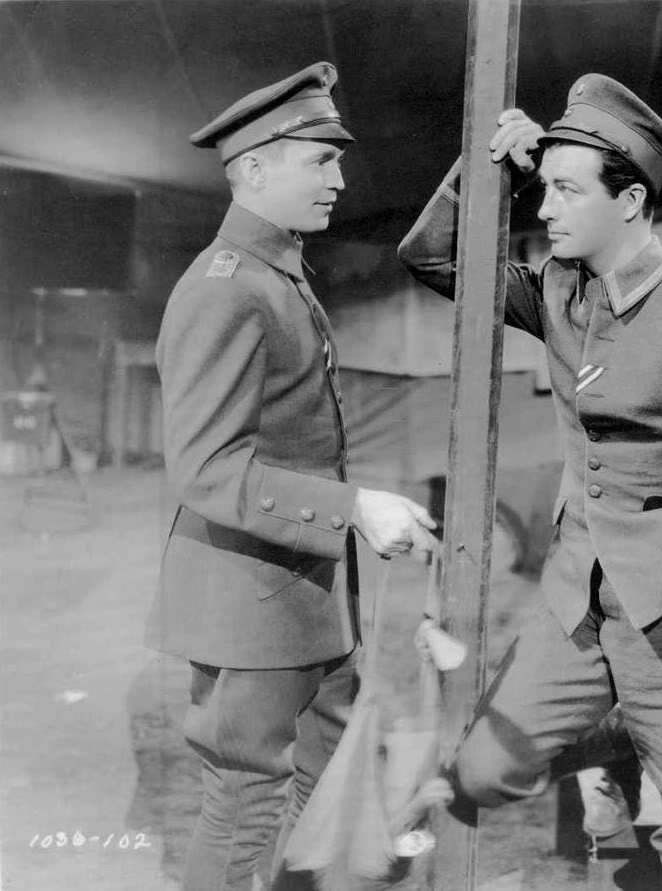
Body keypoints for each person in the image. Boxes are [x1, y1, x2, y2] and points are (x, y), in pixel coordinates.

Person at [397, 74, 662, 890]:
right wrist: (497, 171)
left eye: (566, 190)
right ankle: (631, 729)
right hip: (573, 600)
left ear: (629, 201)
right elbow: (435, 258)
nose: (546, 208)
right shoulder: (561, 286)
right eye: (545, 188)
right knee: (485, 768)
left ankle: (660, 726)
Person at [145, 62, 439, 891]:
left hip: (305, 596)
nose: (339, 179)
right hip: (251, 603)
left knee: (327, 790)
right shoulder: (225, 289)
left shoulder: (277, 273)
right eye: (321, 160)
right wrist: (353, 507)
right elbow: (207, 469)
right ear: (254, 168)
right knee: (244, 804)